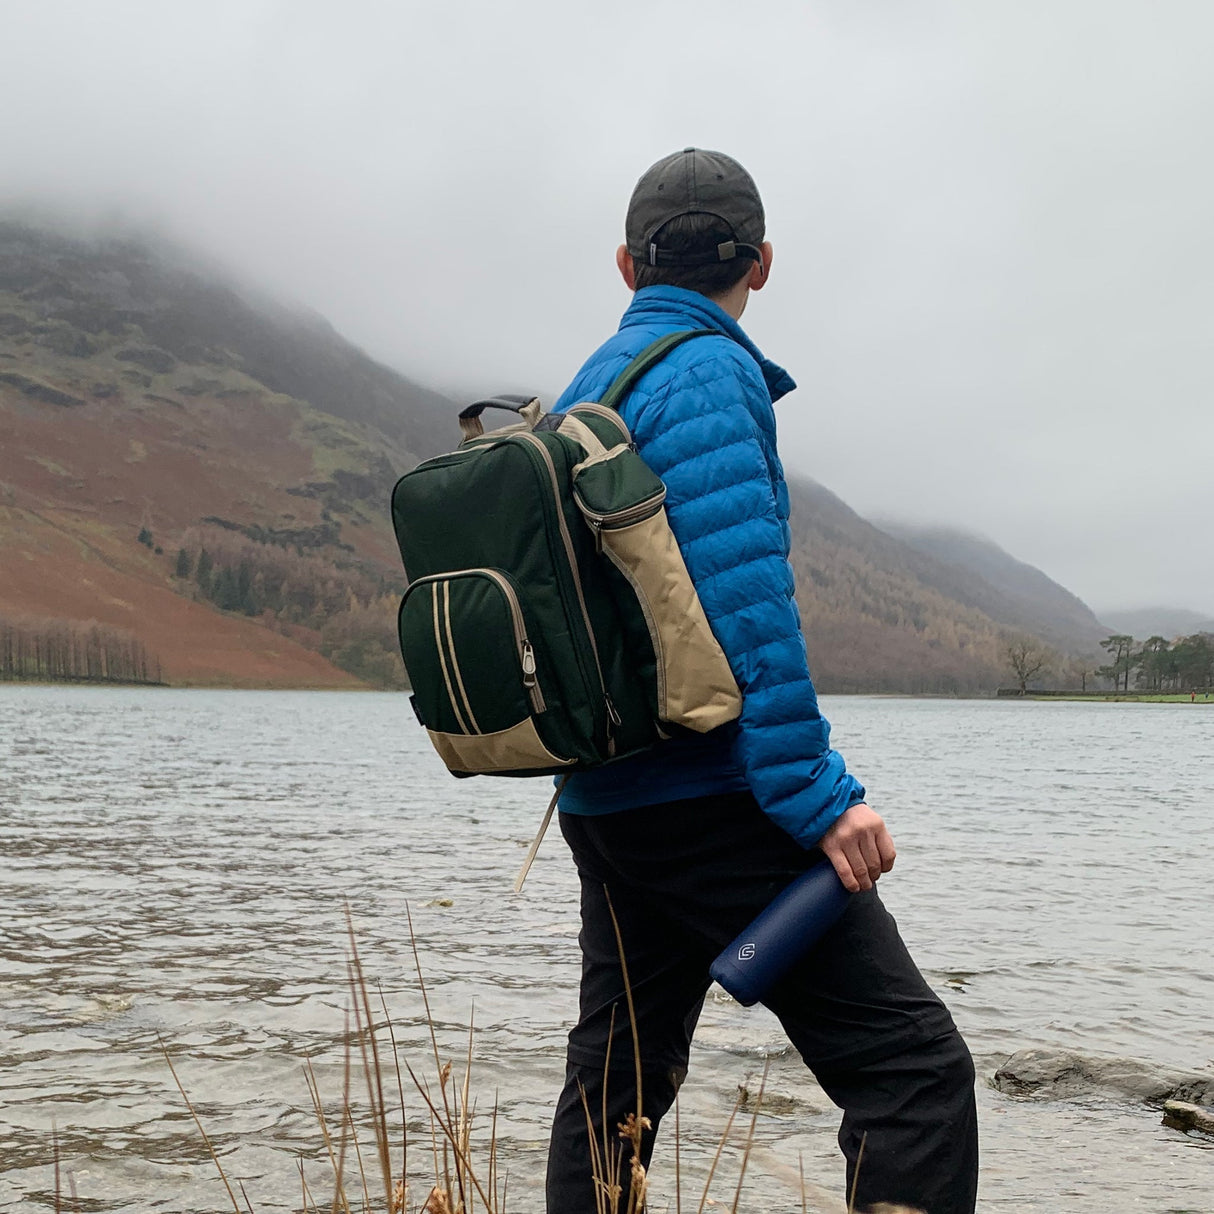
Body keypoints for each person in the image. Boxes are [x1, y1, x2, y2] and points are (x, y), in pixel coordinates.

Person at [544, 148, 978, 1214]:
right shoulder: (706, 369)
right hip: (708, 797)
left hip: (604, 796)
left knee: (617, 1087)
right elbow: (744, 602)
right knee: (914, 1074)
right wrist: (819, 799)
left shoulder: (590, 383)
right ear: (762, 264)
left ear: (625, 264)